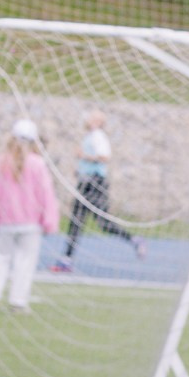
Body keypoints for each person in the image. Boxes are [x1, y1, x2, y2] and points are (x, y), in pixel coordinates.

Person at [0, 117, 60, 312]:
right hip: (30, 223)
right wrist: (50, 220)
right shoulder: (38, 164)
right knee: (25, 261)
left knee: (0, 258)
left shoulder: (2, 161)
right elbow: (46, 193)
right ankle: (18, 301)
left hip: (5, 222)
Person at [58, 108, 142, 264]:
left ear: (98, 122)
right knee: (77, 219)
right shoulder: (90, 136)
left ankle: (133, 239)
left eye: (91, 117)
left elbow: (104, 157)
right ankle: (66, 259)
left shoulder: (98, 136)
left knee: (102, 223)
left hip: (94, 183)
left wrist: (83, 157)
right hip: (86, 181)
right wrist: (80, 169)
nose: (87, 119)